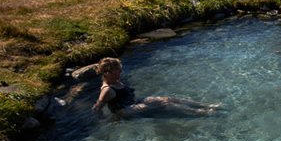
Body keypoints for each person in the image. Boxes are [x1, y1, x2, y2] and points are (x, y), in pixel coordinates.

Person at [91, 57, 221, 118]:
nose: (120, 73)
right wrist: (108, 121)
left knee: (167, 98)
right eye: (117, 71)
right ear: (107, 73)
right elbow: (97, 108)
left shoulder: (115, 81)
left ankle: (206, 105)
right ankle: (201, 113)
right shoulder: (107, 89)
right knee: (164, 104)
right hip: (125, 110)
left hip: (132, 103)